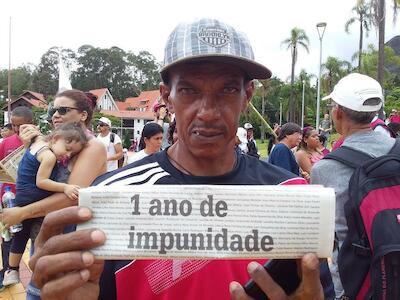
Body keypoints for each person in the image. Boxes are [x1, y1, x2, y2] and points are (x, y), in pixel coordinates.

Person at [28, 18, 325, 300]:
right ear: (166, 96)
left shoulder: (292, 199)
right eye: (188, 90)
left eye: (228, 89)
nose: (207, 111)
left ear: (246, 95)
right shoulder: (112, 199)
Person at [1, 89, 107, 299]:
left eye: (63, 110)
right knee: (38, 288)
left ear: (83, 115)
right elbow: (30, 177)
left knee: (46, 293)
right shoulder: (53, 142)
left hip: (69, 237)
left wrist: (22, 213)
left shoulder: (92, 146)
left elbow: (71, 197)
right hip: (45, 233)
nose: (55, 115)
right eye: (53, 110)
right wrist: (28, 148)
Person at [311, 73, 395, 299]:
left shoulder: (325, 169)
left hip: (354, 285)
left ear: (338, 113)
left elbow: (323, 236)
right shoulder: (396, 150)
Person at [2, 123, 88, 286]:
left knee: (20, 236)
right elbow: (41, 182)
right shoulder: (49, 156)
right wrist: (66, 187)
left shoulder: (37, 144)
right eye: (68, 149)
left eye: (72, 153)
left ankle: (11, 269)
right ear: (55, 138)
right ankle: (39, 270)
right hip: (34, 198)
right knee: (38, 235)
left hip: (22, 197)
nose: (68, 155)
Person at [0, 106, 34, 291]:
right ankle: (7, 272)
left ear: (32, 123)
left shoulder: (42, 143)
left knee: (34, 239)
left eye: (20, 125)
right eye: (13, 125)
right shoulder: (6, 142)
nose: (17, 130)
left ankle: (36, 280)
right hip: (10, 198)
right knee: (8, 238)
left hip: (34, 201)